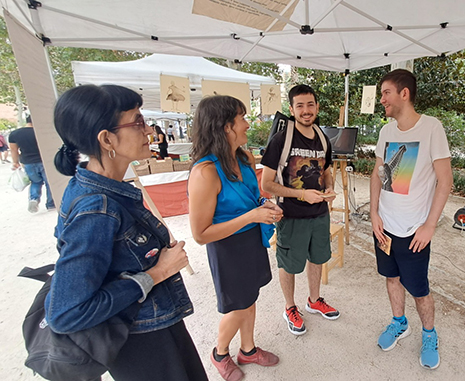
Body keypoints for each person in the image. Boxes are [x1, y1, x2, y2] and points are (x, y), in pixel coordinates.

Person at [47, 84, 208, 381]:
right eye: (137, 121)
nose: (149, 130)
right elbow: (66, 312)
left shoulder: (100, 189)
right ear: (107, 138)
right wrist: (157, 273)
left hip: (153, 327)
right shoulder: (96, 208)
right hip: (142, 344)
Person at [188, 95, 281, 381]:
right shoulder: (204, 172)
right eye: (242, 118)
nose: (247, 123)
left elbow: (250, 199)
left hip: (250, 240)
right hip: (227, 247)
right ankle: (219, 353)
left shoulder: (244, 157)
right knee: (237, 306)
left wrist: (264, 206)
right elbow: (200, 234)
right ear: (225, 126)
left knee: (249, 298)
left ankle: (248, 350)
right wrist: (251, 217)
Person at [370, 69, 452, 369]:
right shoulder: (386, 132)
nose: (382, 100)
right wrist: (374, 213)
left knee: (419, 289)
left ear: (404, 93)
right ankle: (399, 322)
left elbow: (445, 181)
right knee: (391, 278)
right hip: (385, 228)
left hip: (414, 230)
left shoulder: (432, 128)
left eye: (386, 93)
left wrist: (430, 225)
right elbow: (377, 175)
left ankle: (429, 334)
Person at [261, 84, 340, 336]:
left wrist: (328, 188)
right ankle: (290, 307)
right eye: (300, 106)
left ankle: (314, 300)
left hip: (320, 215)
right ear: (292, 109)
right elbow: (267, 184)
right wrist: (301, 194)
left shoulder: (322, 137)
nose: (306, 111)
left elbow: (326, 171)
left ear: (316, 106)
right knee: (289, 264)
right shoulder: (281, 140)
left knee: (317, 258)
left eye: (310, 105)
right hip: (291, 216)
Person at [9, 115, 55, 212]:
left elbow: (14, 150)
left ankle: (34, 199)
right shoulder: (40, 132)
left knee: (35, 182)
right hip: (43, 161)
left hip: (28, 162)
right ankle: (51, 204)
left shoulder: (14, 134)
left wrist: (15, 162)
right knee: (49, 182)